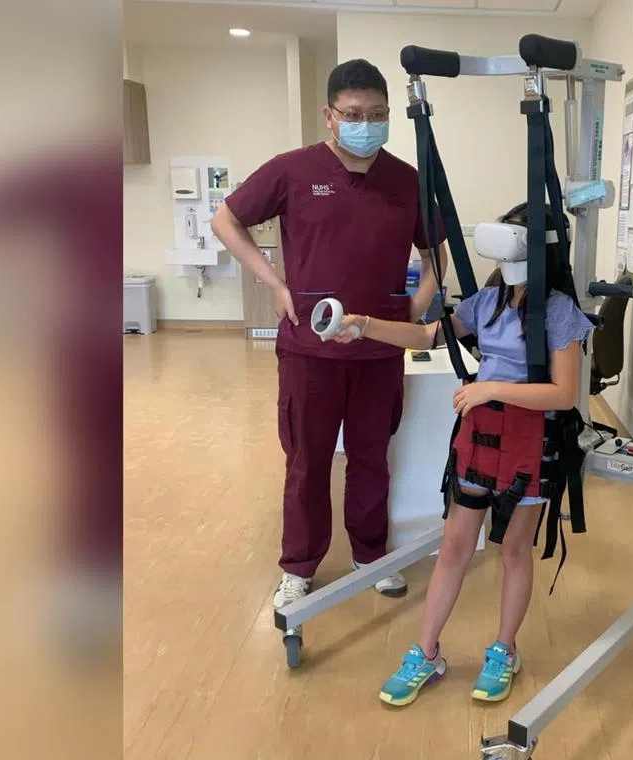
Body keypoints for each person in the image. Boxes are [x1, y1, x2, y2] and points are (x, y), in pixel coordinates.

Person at [331, 202, 594, 707]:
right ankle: (426, 652)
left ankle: (504, 649)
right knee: (454, 546)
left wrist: (490, 386)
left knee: (513, 549)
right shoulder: (487, 301)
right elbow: (429, 334)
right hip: (480, 435)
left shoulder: (559, 311)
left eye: (518, 233)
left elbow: (563, 393)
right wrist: (365, 324)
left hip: (532, 441)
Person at [211, 59, 449, 608]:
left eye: (378, 114)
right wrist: (273, 281)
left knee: (371, 456)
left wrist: (413, 308)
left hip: (378, 351)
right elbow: (226, 219)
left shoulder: (406, 181)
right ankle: (299, 565)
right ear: (330, 116)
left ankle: (370, 556)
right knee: (307, 460)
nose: (366, 123)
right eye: (354, 115)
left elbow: (436, 251)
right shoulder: (292, 171)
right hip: (308, 347)